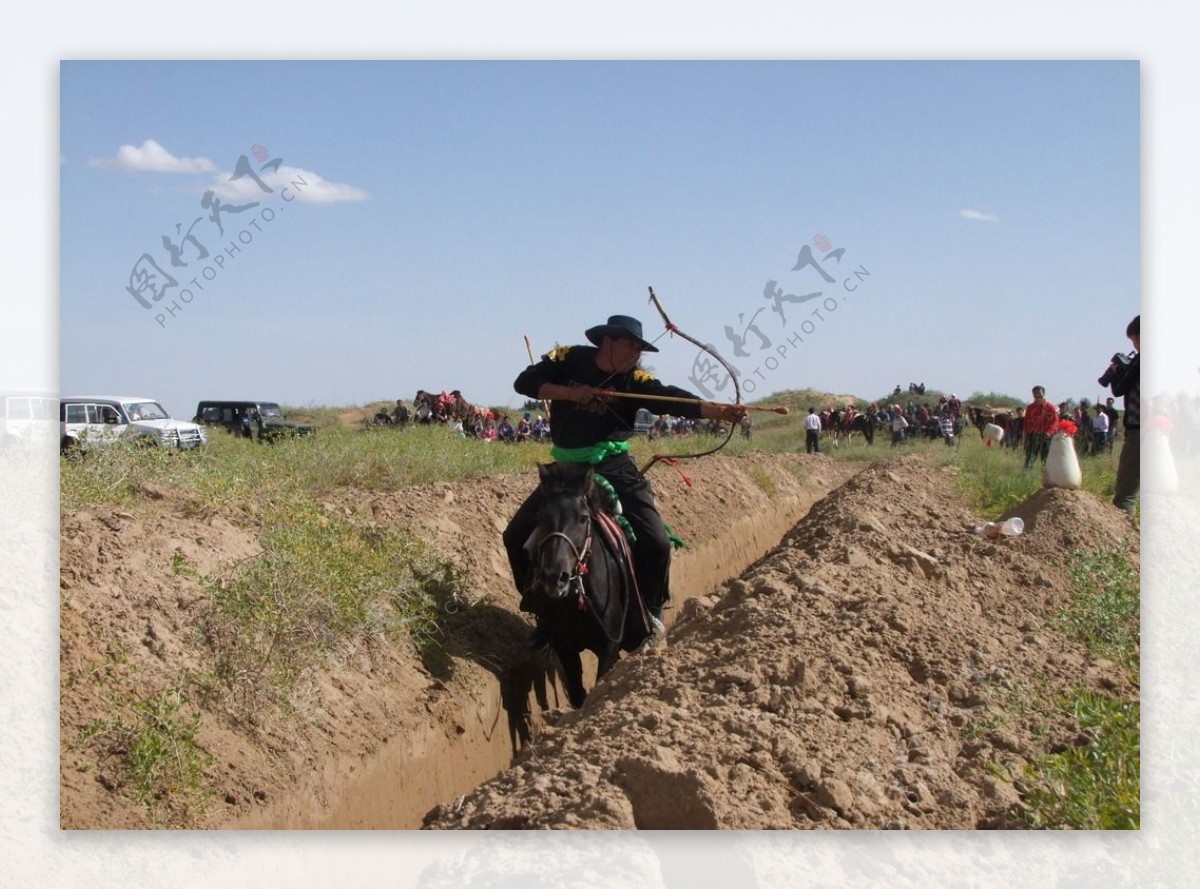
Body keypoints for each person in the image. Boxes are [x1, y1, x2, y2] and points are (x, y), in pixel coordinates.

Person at [503, 314, 746, 642]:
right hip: (568, 471)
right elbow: (524, 383)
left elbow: (673, 398)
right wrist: (571, 394)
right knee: (516, 535)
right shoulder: (569, 358)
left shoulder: (637, 379)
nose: (636, 353)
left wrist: (717, 410)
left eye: (639, 349)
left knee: (657, 542)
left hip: (614, 465)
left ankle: (651, 610)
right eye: (631, 345)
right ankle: (541, 610)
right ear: (608, 341)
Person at [1108, 315, 1140, 514]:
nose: (1134, 346)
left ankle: (1123, 541)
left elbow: (1120, 389)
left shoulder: (1141, 361)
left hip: (1139, 428)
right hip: (1162, 429)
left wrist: (1115, 373)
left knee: (1125, 493)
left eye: (1134, 340)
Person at [1023, 385, 1059, 468]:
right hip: (1033, 435)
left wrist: (1049, 433)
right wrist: (1026, 433)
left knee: (1045, 458)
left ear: (1044, 394)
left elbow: (1055, 422)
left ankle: (1046, 476)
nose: (1037, 397)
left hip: (1045, 436)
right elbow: (1026, 422)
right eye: (1035, 395)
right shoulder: (1030, 407)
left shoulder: (1050, 407)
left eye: (1039, 395)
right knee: (1030, 457)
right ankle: (1026, 474)